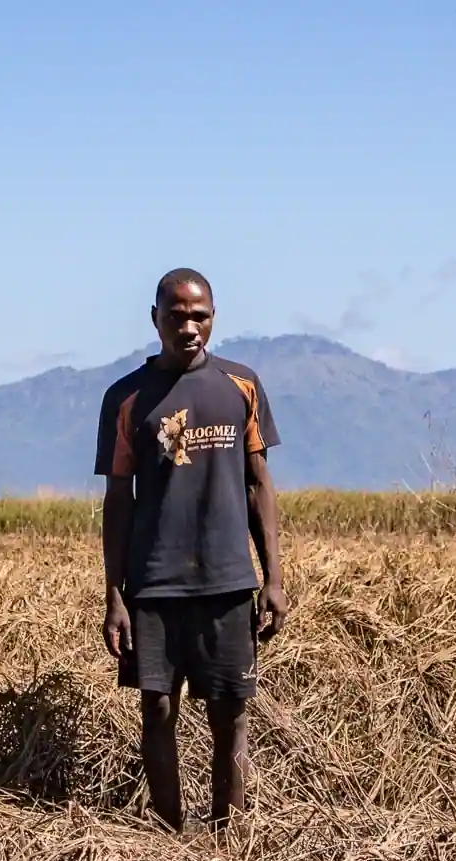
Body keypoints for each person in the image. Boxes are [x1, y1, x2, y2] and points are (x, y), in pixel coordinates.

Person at [94, 267, 287, 832]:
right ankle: (168, 835)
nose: (188, 326)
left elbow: (259, 485)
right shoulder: (126, 398)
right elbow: (118, 499)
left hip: (228, 581)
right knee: (156, 707)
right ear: (155, 319)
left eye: (198, 316)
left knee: (229, 712)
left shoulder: (241, 386)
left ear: (213, 318)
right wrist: (114, 595)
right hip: (153, 585)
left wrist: (273, 576)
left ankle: (230, 838)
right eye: (176, 315)